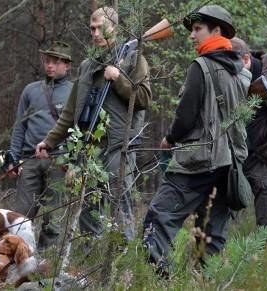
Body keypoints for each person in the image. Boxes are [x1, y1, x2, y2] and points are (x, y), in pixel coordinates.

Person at [142, 5, 251, 268]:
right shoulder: (243, 72)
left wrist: (169, 138)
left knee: (159, 218)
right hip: (230, 165)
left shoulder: (200, 66)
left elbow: (185, 116)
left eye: (198, 29)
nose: (192, 35)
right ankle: (207, 281)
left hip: (197, 161)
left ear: (217, 31)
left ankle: (159, 280)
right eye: (192, 29)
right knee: (211, 234)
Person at [36, 7, 152, 240]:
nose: (96, 33)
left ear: (115, 28)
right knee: (89, 209)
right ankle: (91, 262)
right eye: (92, 28)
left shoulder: (133, 58)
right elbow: (71, 112)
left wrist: (118, 78)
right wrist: (49, 141)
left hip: (119, 147)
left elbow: (143, 100)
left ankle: (125, 263)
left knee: (120, 205)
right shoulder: (87, 66)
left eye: (102, 27)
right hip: (89, 148)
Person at [5, 41, 73, 250]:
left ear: (67, 65)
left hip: (59, 161)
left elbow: (79, 130)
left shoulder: (75, 91)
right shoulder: (30, 91)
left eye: (56, 61)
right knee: (21, 218)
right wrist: (12, 159)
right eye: (48, 61)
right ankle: (18, 257)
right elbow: (19, 126)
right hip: (30, 160)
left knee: (54, 218)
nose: (50, 65)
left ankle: (46, 262)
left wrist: (72, 162)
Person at [231, 37, 267, 237]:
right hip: (231, 155)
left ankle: (264, 261)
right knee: (213, 209)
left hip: (265, 156)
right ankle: (210, 261)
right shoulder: (227, 77)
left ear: (246, 59)